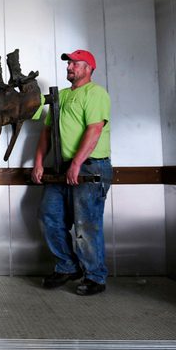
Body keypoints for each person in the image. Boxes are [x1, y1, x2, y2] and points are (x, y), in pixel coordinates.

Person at [30, 49, 113, 296]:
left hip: (90, 165)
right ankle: (68, 266)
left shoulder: (96, 93)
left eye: (76, 63)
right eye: (69, 64)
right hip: (62, 167)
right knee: (49, 216)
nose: (70, 67)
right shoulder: (61, 96)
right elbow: (46, 132)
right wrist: (38, 162)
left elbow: (95, 129)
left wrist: (77, 163)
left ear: (89, 68)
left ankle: (95, 276)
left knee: (85, 224)